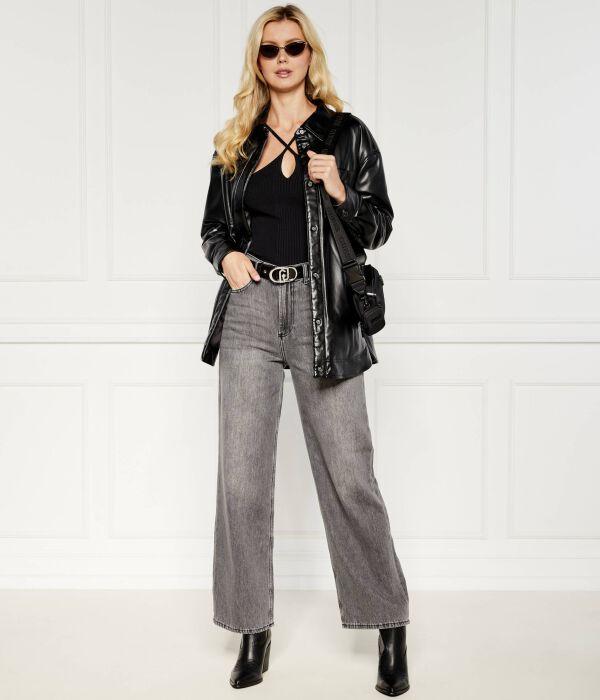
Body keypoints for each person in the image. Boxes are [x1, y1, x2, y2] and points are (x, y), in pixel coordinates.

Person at [200, 4, 410, 695]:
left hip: (325, 315)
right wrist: (227, 256)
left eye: (293, 47)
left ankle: (388, 625)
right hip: (252, 310)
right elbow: (213, 228)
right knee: (240, 479)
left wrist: (341, 188)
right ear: (258, 62)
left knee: (350, 474)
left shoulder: (346, 134)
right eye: (270, 50)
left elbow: (378, 225)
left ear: (309, 54)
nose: (282, 58)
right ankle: (251, 629)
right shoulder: (237, 140)